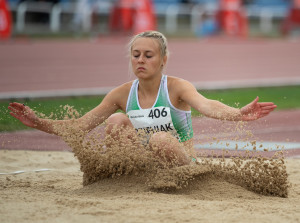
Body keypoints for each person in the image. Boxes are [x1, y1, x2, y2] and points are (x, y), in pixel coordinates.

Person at [8, 31, 277, 166]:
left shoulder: (176, 87)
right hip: (143, 164)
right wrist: (38, 122)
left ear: (163, 60)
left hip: (181, 162)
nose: (140, 60)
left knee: (160, 139)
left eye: (148, 55)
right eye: (136, 54)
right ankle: (124, 178)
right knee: (115, 120)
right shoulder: (122, 93)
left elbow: (207, 105)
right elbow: (81, 126)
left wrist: (238, 113)